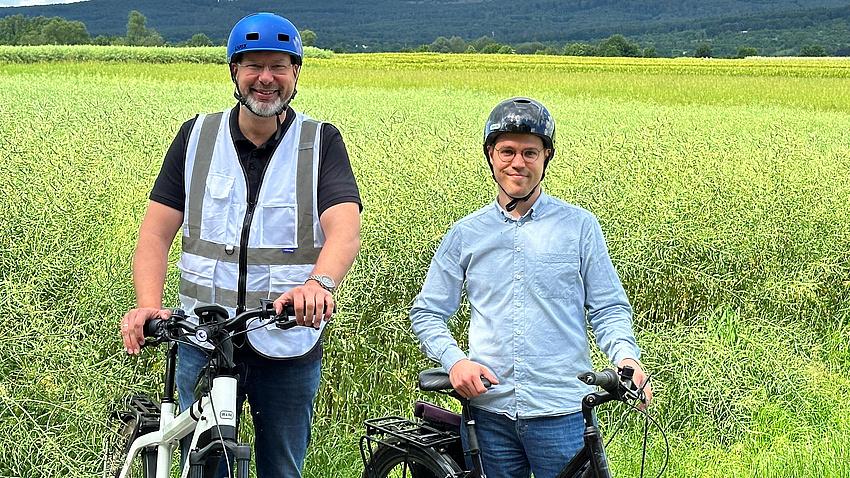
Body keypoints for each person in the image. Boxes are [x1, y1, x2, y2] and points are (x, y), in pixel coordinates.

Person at [119, 12, 361, 478]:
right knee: (198, 465)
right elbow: (155, 232)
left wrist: (320, 283)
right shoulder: (196, 136)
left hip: (287, 341)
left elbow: (344, 229)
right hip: (200, 337)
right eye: (252, 66)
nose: (265, 78)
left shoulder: (320, 141)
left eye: (278, 66)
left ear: (295, 74)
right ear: (234, 72)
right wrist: (148, 305)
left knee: (282, 468)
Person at [409, 97, 651, 478]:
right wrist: (455, 361)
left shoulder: (579, 227)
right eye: (506, 151)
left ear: (546, 157)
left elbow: (607, 308)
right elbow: (427, 312)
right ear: (490, 155)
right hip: (488, 413)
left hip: (562, 411)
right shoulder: (466, 233)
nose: (517, 162)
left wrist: (626, 358)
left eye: (529, 152)